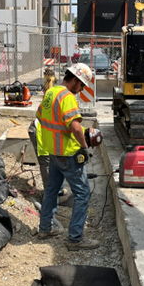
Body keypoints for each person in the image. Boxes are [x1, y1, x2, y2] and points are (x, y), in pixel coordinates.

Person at [35, 63, 99, 251]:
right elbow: (75, 127)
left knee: (51, 190)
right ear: (76, 81)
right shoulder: (67, 97)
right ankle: (75, 238)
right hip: (68, 153)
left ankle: (45, 228)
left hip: (53, 151)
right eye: (82, 86)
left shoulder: (51, 92)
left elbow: (40, 116)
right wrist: (84, 147)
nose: (81, 90)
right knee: (82, 193)